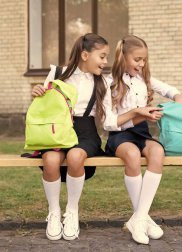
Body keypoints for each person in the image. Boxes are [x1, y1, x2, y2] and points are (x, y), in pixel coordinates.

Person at [31, 33, 158, 241]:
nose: (105, 62)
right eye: (101, 56)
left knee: (75, 157)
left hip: (85, 132)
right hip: (57, 131)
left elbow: (109, 121)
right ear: (84, 55)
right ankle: (54, 213)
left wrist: (137, 112)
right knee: (50, 160)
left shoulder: (102, 83)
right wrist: (38, 92)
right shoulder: (57, 73)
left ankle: (72, 212)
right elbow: (44, 107)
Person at [104, 34, 182, 244]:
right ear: (123, 57)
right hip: (119, 135)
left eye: (144, 60)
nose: (141, 64)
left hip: (141, 133)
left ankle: (139, 218)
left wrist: (178, 102)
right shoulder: (108, 82)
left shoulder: (144, 80)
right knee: (131, 154)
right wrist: (137, 112)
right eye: (137, 59)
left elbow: (171, 90)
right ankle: (143, 219)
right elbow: (109, 122)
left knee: (157, 152)